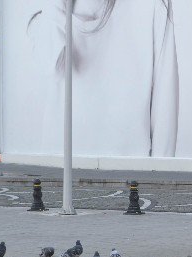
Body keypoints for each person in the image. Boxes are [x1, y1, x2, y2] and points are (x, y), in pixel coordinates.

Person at [26, 0, 179, 158]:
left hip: (130, 174)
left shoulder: (150, 6)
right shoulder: (50, 15)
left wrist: (158, 179)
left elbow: (165, 109)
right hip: (60, 172)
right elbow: (53, 67)